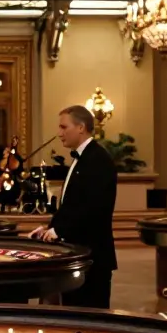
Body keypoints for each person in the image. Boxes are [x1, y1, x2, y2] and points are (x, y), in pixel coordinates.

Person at [28, 106, 118, 308]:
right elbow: (72, 206)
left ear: (81, 127)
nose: (59, 133)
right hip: (78, 255)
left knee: (90, 322)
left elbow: (92, 209)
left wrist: (58, 231)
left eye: (63, 127)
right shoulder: (82, 158)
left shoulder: (98, 160)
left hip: (91, 258)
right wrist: (49, 228)